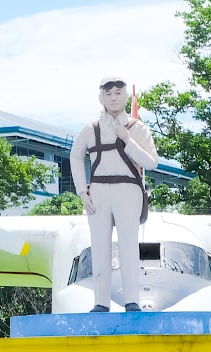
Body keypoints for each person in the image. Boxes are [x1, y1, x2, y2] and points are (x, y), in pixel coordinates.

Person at [70, 76, 159, 313]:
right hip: (97, 190)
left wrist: (128, 141)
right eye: (108, 93)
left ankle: (132, 301)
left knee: (129, 245)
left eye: (118, 92)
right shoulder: (90, 130)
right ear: (100, 97)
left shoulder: (138, 129)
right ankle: (100, 302)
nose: (113, 97)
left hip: (128, 189)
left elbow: (152, 162)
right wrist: (81, 190)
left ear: (126, 96)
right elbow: (75, 156)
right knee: (99, 246)